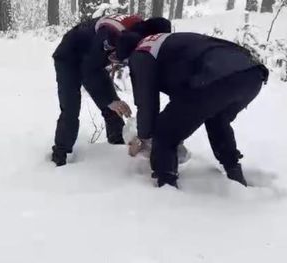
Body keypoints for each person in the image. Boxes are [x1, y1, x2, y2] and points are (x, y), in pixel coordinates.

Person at [115, 32, 269, 188]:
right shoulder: (162, 42)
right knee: (217, 119)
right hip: (252, 74)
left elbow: (146, 103)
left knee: (164, 131)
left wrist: (143, 137)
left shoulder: (141, 53)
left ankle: (166, 186)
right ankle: (235, 174)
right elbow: (182, 93)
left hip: (214, 77)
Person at [50, 14, 172, 166]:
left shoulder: (139, 31)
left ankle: (117, 145)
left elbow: (137, 73)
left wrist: (117, 102)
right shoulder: (111, 32)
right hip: (68, 56)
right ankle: (60, 155)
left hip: (93, 59)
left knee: (114, 107)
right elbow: (88, 70)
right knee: (71, 108)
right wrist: (109, 101)